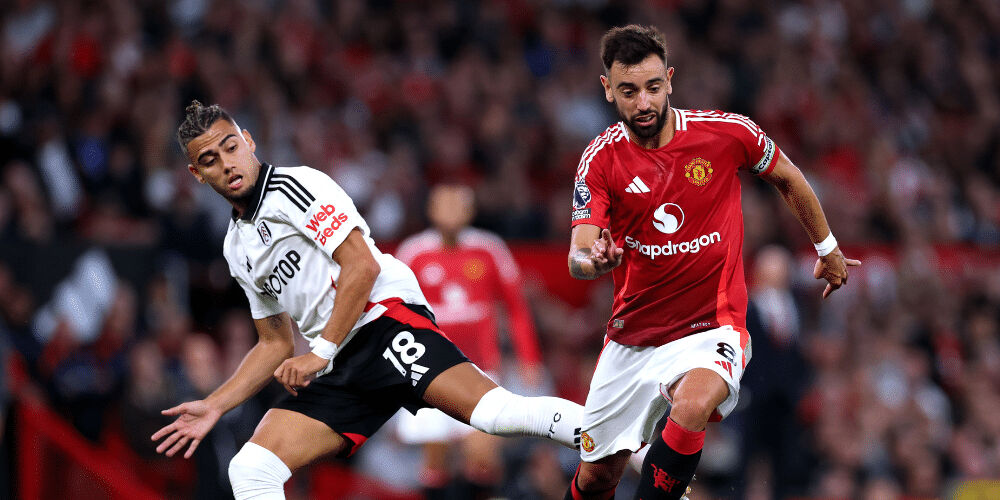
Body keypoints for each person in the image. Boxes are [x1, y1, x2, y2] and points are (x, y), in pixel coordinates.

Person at [151, 101, 583, 499]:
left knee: (496, 416)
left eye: (230, 147)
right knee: (251, 468)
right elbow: (274, 343)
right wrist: (215, 404)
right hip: (340, 360)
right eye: (210, 159)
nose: (227, 163)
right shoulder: (236, 248)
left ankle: (611, 436)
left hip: (382, 322)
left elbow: (362, 267)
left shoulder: (295, 186)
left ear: (248, 140)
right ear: (196, 174)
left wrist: (319, 353)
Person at [564, 25, 861, 500]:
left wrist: (827, 249)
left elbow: (788, 176)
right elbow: (579, 252)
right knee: (597, 478)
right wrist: (593, 261)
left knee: (693, 403)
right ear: (607, 89)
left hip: (712, 326)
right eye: (629, 91)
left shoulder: (726, 133)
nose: (644, 102)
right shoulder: (601, 159)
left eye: (653, 87)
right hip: (633, 337)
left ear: (670, 80)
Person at [394, 184, 546, 498]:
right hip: (427, 369)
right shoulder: (414, 253)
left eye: (458, 205)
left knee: (482, 454)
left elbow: (516, 307)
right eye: (444, 204)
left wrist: (529, 358)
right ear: (431, 210)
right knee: (435, 459)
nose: (451, 211)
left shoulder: (489, 249)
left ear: (471, 211)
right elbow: (392, 311)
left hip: (481, 367)